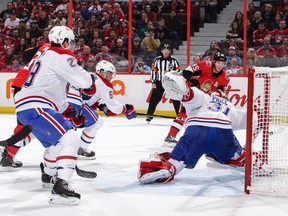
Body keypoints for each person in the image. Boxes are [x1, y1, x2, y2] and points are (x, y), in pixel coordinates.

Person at [138, 72, 272, 184]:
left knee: (179, 159)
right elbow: (253, 119)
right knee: (237, 156)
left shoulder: (205, 97)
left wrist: (184, 89)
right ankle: (257, 165)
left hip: (197, 129)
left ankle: (169, 169)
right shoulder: (231, 108)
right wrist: (261, 115)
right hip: (222, 130)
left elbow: (190, 95)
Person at [13, 26, 95, 205]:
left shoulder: (44, 53)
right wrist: (92, 80)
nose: (72, 46)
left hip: (27, 105)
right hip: (37, 104)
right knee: (71, 140)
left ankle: (48, 174)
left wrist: (69, 111)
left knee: (56, 144)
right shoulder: (61, 55)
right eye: (71, 42)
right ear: (65, 42)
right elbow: (84, 81)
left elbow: (51, 90)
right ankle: (61, 186)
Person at [67, 60, 137, 160]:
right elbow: (113, 105)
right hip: (77, 103)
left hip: (64, 102)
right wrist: (126, 109)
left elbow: (89, 96)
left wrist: (101, 106)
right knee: (97, 122)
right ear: (102, 72)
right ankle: (81, 149)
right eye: (109, 73)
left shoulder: (90, 75)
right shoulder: (103, 83)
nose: (111, 77)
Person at [163, 51, 230, 147]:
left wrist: (218, 93)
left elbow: (223, 92)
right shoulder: (204, 64)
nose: (220, 65)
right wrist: (194, 80)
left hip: (205, 99)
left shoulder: (225, 77)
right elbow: (186, 71)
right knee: (184, 113)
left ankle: (198, 141)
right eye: (218, 62)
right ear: (214, 61)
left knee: (202, 119)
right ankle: (170, 136)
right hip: (192, 94)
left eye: (223, 63)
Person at [146, 43, 182, 123]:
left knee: (175, 99)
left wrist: (173, 75)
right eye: (164, 50)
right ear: (162, 51)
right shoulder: (157, 60)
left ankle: (179, 116)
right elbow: (153, 71)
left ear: (169, 51)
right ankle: (149, 115)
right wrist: (153, 81)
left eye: (167, 50)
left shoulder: (174, 60)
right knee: (154, 99)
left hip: (171, 82)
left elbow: (179, 70)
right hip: (159, 82)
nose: (165, 51)